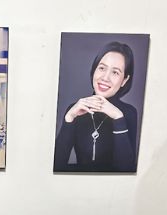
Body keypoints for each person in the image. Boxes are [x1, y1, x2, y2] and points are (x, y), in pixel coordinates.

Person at [54, 41, 138, 172]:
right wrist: (69, 118)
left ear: (124, 80)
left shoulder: (129, 113)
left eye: (115, 72)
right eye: (102, 68)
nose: (105, 78)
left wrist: (118, 118)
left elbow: (126, 170)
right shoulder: (75, 110)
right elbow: (56, 167)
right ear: (94, 70)